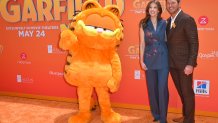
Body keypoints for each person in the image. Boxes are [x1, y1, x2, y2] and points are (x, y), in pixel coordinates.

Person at [165, 0, 199, 123]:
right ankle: (186, 116)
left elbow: (194, 43)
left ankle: (190, 120)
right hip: (172, 64)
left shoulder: (187, 19)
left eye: (173, 2)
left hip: (185, 65)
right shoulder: (168, 21)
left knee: (187, 93)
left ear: (179, 4)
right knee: (182, 92)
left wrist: (190, 64)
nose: (170, 5)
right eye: (168, 3)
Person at [139, 1, 169, 123]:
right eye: (150, 7)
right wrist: (141, 60)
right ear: (148, 10)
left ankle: (163, 118)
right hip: (149, 59)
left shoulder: (165, 23)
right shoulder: (143, 24)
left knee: (162, 88)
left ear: (159, 10)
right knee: (152, 89)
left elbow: (168, 40)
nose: (152, 9)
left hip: (163, 59)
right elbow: (141, 44)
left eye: (155, 7)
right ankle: (156, 115)